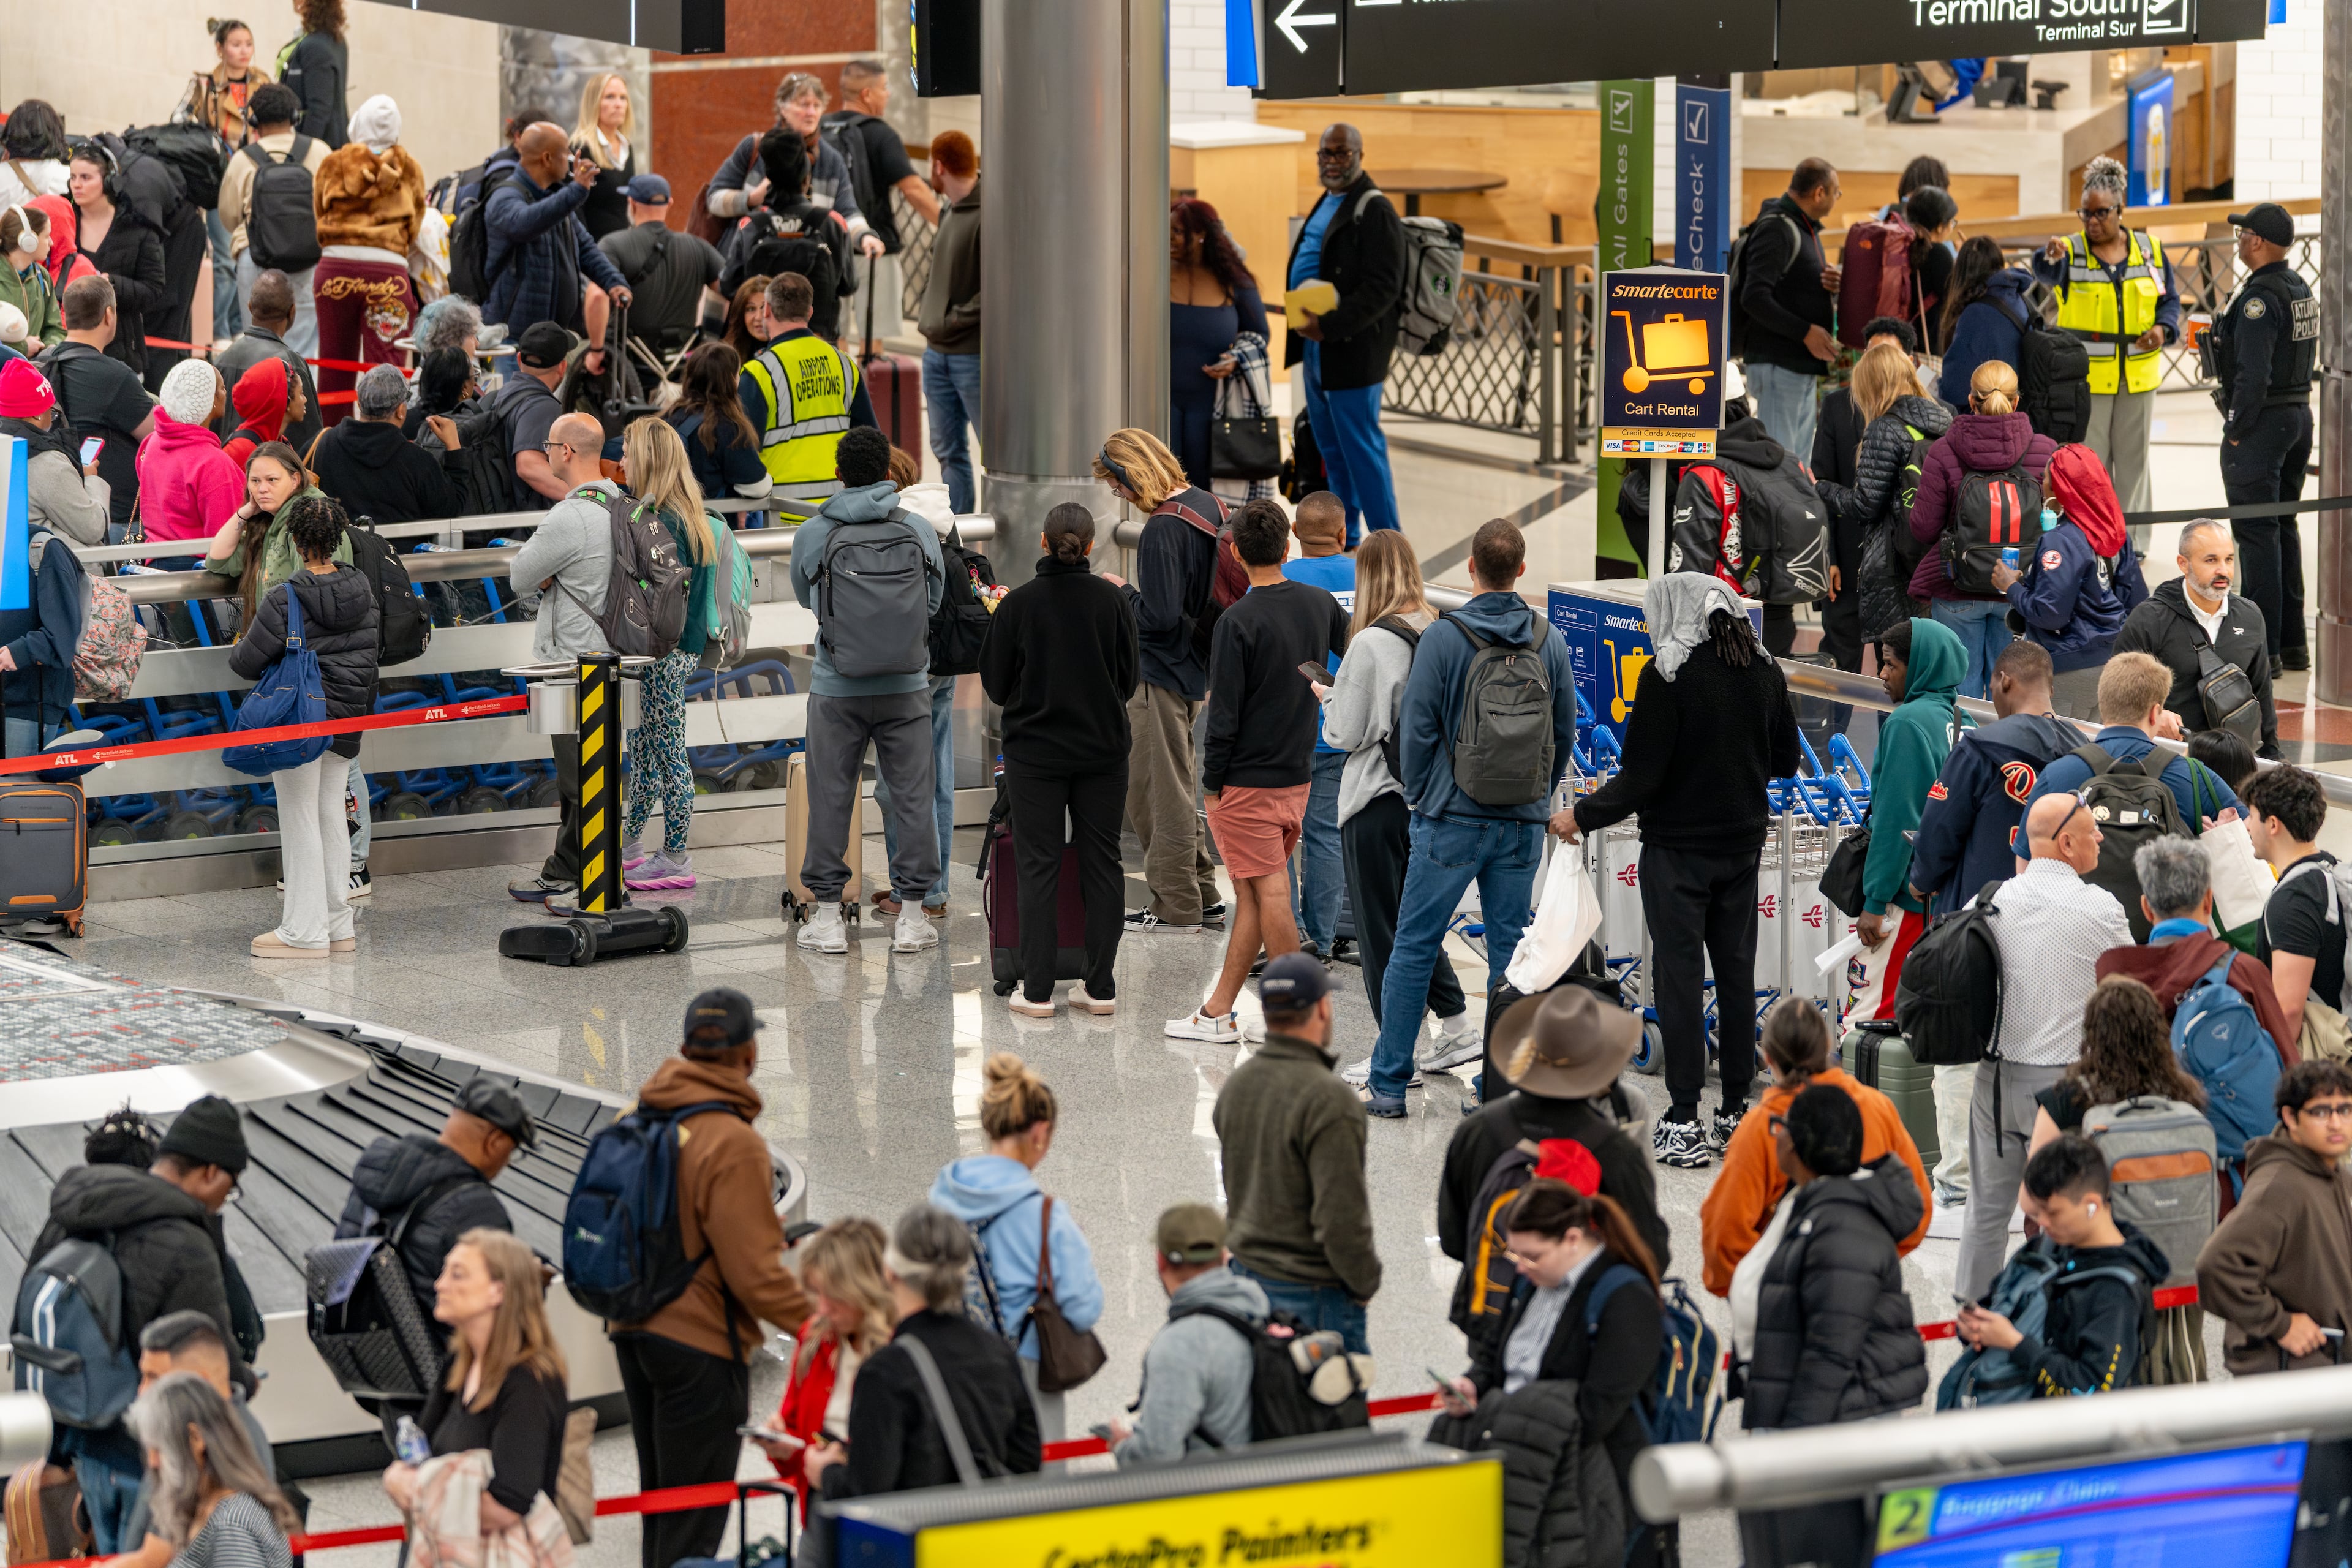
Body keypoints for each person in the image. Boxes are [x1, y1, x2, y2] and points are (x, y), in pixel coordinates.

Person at [1564, 573, 1799, 1163]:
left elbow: (1642, 778)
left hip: (1677, 852)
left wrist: (1581, 816)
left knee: (1678, 977)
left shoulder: (1666, 674)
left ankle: (1685, 1116)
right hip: (1742, 847)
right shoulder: (1766, 669)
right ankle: (1737, 1109)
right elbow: (1786, 761)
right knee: (1737, 973)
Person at [1355, 518, 1574, 1115]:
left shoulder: (1445, 639)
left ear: (1472, 569)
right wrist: (1534, 799)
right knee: (1511, 951)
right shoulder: (1548, 640)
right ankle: (1502, 1086)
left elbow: (1418, 728)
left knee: (1415, 945)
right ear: (1522, 570)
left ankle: (1390, 1085)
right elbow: (1563, 732)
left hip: (1449, 818)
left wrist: (1428, 797)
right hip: (1521, 824)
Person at [609, 990, 812, 1568]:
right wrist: (825, 1325)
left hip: (630, 1330)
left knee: (662, 1505)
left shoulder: (636, 1116)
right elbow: (755, 1276)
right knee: (693, 1523)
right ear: (749, 1054)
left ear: (683, 1050)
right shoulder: (734, 1142)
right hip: (698, 1344)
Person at [1168, 500, 1349, 1044]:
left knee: (1269, 894)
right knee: (1251, 894)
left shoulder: (1237, 621)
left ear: (1238, 553)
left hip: (1247, 783)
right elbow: (1356, 657)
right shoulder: (1319, 605)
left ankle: (1301, 1019)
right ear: (1287, 547)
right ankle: (1217, 1011)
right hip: (1297, 775)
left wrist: (1212, 786)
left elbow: (1223, 717)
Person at [1954, 790, 2134, 1302]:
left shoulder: (1989, 899)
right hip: (2064, 1090)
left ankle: (1973, 1315)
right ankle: (2063, 1309)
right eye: (2093, 828)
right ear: (2067, 842)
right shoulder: (2100, 909)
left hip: (1994, 1079)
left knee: (1988, 1209)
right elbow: (2124, 989)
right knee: (2069, 1208)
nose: (2102, 834)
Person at [1736, 1084, 1926, 1566]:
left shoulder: (1840, 1223)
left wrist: (1791, 1447)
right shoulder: (1814, 1205)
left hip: (1834, 1435)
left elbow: (1832, 1348)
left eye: (1778, 1129)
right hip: (1827, 1426)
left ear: (1797, 1144)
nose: (1773, 1138)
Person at [1317, 531, 1474, 1064]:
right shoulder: (1441, 629)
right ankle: (1456, 1026)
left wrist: (1328, 697)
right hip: (1430, 800)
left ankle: (1394, 1055)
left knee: (1381, 933)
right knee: (1417, 924)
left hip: (1376, 802)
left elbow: (1344, 733)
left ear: (1367, 577)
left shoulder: (1370, 643)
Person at [788, 424, 945, 952]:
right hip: (907, 686)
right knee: (912, 798)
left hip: (838, 686)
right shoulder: (918, 528)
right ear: (887, 473)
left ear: (838, 475)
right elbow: (934, 601)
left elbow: (808, 598)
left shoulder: (815, 532)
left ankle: (829, 919)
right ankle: (913, 916)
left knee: (831, 796)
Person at [978, 502, 1137, 1016]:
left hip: (1036, 756)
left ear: (1044, 544)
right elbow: (1129, 679)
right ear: (1091, 547)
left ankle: (1038, 991)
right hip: (1103, 752)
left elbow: (998, 686)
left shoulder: (1019, 606)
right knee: (1103, 863)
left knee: (1039, 866)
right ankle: (1100, 986)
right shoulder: (1113, 603)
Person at [1442, 986, 1672, 1338]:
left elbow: (1455, 1240)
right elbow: (1649, 1251)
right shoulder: (1613, 1151)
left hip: (1492, 1319)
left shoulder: (1478, 1131)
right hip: (1578, 1330)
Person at [801, 1205, 1039, 1520]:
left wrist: (826, 1472)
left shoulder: (885, 1371)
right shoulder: (998, 1353)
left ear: (890, 1272)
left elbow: (867, 1492)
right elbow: (1027, 1461)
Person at [927, 1054, 1105, 1442]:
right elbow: (1083, 1309)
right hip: (1024, 1373)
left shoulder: (941, 1195)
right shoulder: (1047, 1217)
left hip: (950, 1365)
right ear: (1040, 1133)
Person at [228, 495, 375, 957]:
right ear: (338, 539)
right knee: (332, 812)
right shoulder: (363, 589)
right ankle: (338, 925)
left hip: (301, 717)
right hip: (350, 713)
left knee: (299, 817)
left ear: (294, 540)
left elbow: (244, 663)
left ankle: (303, 932)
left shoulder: (287, 595)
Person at [1703, 997, 1931, 1297]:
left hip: (1784, 1297)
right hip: (1867, 1295)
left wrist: (1758, 1289)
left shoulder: (1763, 1127)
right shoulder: (1876, 1107)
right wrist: (1871, 1262)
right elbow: (1917, 1208)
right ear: (1828, 1044)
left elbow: (1723, 1237)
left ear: (1768, 1058)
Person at [1099, 426, 1230, 934]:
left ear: (1134, 472)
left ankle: (1176, 906)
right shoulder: (1206, 504)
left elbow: (1158, 616)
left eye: (1117, 483)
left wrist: (1121, 590)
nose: (1118, 493)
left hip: (1159, 673)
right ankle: (1202, 893)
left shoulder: (1162, 528)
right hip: (1195, 666)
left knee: (1156, 792)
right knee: (1176, 782)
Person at [1212, 954, 1379, 1351]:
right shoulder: (1331, 1099)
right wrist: (1363, 1281)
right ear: (1322, 1008)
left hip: (1246, 1281)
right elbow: (1341, 1215)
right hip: (1313, 1297)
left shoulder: (1237, 1086)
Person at [380, 1231, 568, 1543]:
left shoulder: (528, 1382)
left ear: (498, 1292)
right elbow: (417, 1456)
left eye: (458, 1275)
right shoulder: (459, 1364)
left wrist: (420, 1493)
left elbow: (508, 1505)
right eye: (443, 1272)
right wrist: (400, 1477)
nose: (440, 1285)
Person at [1955, 1133, 2169, 1395]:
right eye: (2037, 1212)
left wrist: (2015, 1344)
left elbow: (2092, 1389)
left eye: (2052, 1212)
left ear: (2092, 1206)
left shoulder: (2116, 1290)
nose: (2042, 1222)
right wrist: (1973, 1327)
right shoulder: (2042, 1249)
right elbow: (1995, 1307)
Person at [505, 412, 618, 901]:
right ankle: (568, 867)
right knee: (593, 769)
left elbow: (520, 575)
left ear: (566, 453)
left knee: (578, 776)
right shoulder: (619, 501)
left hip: (571, 662)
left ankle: (589, 875)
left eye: (549, 444)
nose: (546, 452)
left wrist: (548, 573)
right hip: (612, 658)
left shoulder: (571, 515)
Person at [2034, 156, 2180, 531]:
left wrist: (2163, 330)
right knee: (2091, 465)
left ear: (2121, 209)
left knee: (2134, 462)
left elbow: (2170, 301)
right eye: (2086, 214)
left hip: (2138, 378)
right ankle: (2093, 536)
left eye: (2100, 213)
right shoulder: (2070, 250)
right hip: (2088, 382)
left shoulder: (2149, 250)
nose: (2092, 222)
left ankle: (2133, 540)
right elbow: (2046, 271)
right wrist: (2048, 258)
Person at [1283, 124, 1404, 546]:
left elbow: (1385, 286)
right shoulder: (1329, 200)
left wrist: (1330, 325)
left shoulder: (1375, 209)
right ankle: (1345, 535)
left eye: (1342, 153)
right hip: (1318, 349)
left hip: (1352, 350)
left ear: (1359, 155)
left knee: (1362, 453)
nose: (1332, 161)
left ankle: (1391, 544)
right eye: (1326, 154)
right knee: (1331, 450)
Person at [1906, 359, 2056, 697]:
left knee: (1960, 697)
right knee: (2013, 695)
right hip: (2019, 590)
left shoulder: (1944, 451)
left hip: (1958, 591)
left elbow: (1924, 528)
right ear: (2017, 401)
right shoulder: (2044, 450)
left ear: (1971, 400)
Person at [617, 417, 722, 893]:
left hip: (663, 651)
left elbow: (656, 595)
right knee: (644, 753)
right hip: (678, 649)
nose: (621, 463)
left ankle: (676, 853)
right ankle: (632, 845)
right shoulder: (686, 514)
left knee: (664, 755)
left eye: (628, 454)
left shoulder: (663, 521)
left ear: (649, 461)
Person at [2197, 1058, 2352, 1377]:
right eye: (2321, 1112)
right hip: (2291, 1380)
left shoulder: (2335, 1174)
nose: (2336, 1123)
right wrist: (2280, 1324)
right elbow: (2216, 1266)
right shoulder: (2279, 1185)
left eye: (2345, 1110)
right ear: (2290, 1117)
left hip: (2329, 1370)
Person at [1848, 619, 1967, 1024]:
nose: (1882, 675)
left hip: (1900, 900)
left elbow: (1896, 821)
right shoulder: (1960, 719)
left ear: (1920, 667)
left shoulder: (1907, 723)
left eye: (1891, 665)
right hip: (1939, 896)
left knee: (1868, 1018)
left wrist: (1875, 901)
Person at [1905, 639, 2077, 920]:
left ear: (2004, 680)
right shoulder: (2084, 751)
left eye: (1993, 686)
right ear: (2051, 690)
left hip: (1980, 919)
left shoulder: (1978, 746)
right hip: (2056, 917)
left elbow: (1940, 828)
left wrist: (1922, 879)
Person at [2213, 202, 2316, 670]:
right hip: (2297, 417)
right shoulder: (2299, 288)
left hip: (2264, 423)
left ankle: (2263, 651)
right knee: (2283, 531)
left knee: (2255, 537)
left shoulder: (2259, 299)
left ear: (2257, 241)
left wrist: (2235, 429)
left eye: (2243, 233)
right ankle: (2293, 645)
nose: (2238, 240)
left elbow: (2253, 375)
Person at [332, 1075, 530, 1316]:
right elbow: (499, 1312)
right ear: (495, 1142)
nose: (507, 1162)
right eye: (512, 1151)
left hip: (357, 1344)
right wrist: (529, 1280)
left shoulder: (378, 1170)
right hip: (435, 1352)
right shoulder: (479, 1210)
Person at [2094, 837, 2296, 1057]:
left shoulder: (2115, 983)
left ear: (2147, 909)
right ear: (2209, 901)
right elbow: (2286, 1064)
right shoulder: (2244, 972)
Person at [1814, 334, 1951, 653]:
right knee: (1922, 660)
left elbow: (1866, 505)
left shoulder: (1884, 427)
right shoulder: (1944, 420)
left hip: (1894, 563)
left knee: (1893, 666)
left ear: (1874, 384)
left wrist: (1822, 488)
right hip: (1935, 559)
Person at [108, 1311, 276, 1568]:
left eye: (155, 1378)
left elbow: (154, 1559)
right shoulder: (199, 1431)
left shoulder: (224, 1454)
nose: (142, 1391)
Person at [1105, 1204, 1267, 1466]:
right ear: (1224, 1255)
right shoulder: (1259, 1310)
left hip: (1214, 1496)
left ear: (1160, 1260)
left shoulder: (1182, 1344)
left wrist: (1123, 1446)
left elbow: (1156, 1457)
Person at [1996, 442, 2149, 717]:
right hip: (2112, 666)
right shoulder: (2116, 533)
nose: (2041, 482)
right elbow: (2137, 603)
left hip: (2068, 669)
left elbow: (2050, 614)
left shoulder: (2060, 542)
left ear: (2060, 490)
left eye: (2045, 477)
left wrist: (2012, 587)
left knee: (2063, 751)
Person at [749, 1219, 891, 1507]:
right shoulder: (816, 1338)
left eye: (835, 1298)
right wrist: (783, 1449)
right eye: (818, 1293)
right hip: (819, 1510)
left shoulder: (900, 1356)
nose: (823, 1308)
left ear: (866, 1291)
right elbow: (798, 1452)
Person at [2111, 518, 2280, 759]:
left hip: (2232, 761)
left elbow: (2262, 694)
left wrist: (2273, 759)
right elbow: (2117, 694)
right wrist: (2154, 714)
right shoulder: (2149, 619)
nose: (2223, 570)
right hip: (2167, 761)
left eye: (2229, 559)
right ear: (2184, 564)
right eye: (2211, 560)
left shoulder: (2250, 616)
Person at [2026, 649, 2242, 826]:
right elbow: (2257, 834)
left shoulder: (2056, 774)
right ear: (2154, 713)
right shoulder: (2196, 777)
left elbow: (2025, 861)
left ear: (2103, 704)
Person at [310, 96, 426, 420]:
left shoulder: (332, 163)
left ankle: (328, 449)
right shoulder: (411, 169)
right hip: (388, 275)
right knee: (387, 369)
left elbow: (319, 213)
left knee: (334, 366)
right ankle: (383, 449)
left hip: (335, 271)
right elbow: (415, 226)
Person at [1282, 492, 1354, 960]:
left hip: (1286, 730)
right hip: (1342, 727)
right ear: (1343, 534)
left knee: (1278, 838)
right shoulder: (1365, 578)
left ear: (1294, 534)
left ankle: (1286, 936)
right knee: (1326, 836)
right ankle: (1323, 942)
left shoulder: (1279, 578)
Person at [482, 123, 632, 345]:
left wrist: (613, 282)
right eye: (567, 152)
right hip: (513, 339)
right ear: (547, 159)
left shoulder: (557, 199)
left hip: (551, 336)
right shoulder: (505, 196)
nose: (573, 157)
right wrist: (576, 191)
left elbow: (585, 248)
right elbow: (525, 224)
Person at [1733, 157, 1842, 459]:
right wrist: (1806, 332)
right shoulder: (1777, 228)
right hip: (1779, 365)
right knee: (1780, 461)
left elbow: (1790, 286)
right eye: (1836, 192)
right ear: (1819, 192)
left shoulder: (1804, 227)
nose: (1837, 198)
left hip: (1797, 366)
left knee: (1797, 464)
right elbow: (1754, 297)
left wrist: (1825, 284)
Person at [127, 1374, 296, 1568]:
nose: (153, 1462)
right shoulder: (209, 1508)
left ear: (196, 1438)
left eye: (160, 1447)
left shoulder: (231, 1527)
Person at [704, 72, 883, 254]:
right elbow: (714, 199)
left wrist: (864, 236)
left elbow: (848, 212)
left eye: (817, 105)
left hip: (807, 264)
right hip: (753, 261)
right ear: (783, 108)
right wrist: (751, 199)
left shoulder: (831, 160)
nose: (812, 113)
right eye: (804, 105)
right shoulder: (756, 148)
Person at [742, 271, 874, 506]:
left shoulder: (759, 372)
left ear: (768, 311)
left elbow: (742, 452)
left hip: (780, 516)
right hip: (841, 512)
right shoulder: (844, 364)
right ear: (810, 312)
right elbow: (870, 442)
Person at [39, 274, 156, 537]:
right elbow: (155, 436)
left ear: (65, 315)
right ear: (109, 315)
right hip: (112, 515)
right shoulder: (116, 376)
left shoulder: (41, 363)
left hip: (52, 507)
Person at [1167, 197, 1270, 492]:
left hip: (1213, 406)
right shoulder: (1153, 274)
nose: (1170, 238)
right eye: (1168, 230)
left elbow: (1259, 333)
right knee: (1161, 485)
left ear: (1201, 235)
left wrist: (1237, 358)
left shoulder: (1232, 279)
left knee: (1206, 488)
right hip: (1161, 402)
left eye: (1178, 231)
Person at [216, 83, 325, 356]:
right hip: (309, 260)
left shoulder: (242, 159)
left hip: (256, 260)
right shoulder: (321, 152)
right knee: (306, 348)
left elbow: (229, 217)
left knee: (258, 343)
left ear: (254, 121)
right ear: (295, 117)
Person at [719, 130, 855, 338]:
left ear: (769, 179)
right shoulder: (832, 223)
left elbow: (729, 285)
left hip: (763, 349)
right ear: (806, 178)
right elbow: (848, 285)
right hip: (817, 345)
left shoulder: (751, 225)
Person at [2244, 764, 2339, 1048]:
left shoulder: (2293, 900)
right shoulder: (2333, 870)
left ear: (2273, 824)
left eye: (2251, 816)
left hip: (2323, 1063)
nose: (2247, 825)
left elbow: (2289, 1011)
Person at [203, 441, 341, 627]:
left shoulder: (311, 521)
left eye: (272, 480)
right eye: (255, 481)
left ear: (295, 480)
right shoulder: (268, 522)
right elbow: (217, 561)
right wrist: (245, 512)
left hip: (303, 646)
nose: (262, 489)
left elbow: (317, 595)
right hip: (281, 640)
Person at [916, 132, 981, 513]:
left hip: (971, 355)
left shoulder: (988, 213)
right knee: (947, 451)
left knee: (994, 450)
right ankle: (962, 536)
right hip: (936, 354)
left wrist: (951, 320)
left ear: (939, 165)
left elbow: (998, 289)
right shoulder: (948, 212)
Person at [309, 364, 466, 523]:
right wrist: (454, 447)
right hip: (401, 548)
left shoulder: (322, 444)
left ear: (359, 405)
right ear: (400, 410)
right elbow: (452, 508)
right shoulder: (418, 461)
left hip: (337, 547)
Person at [191, 18, 268, 342]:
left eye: (248, 44)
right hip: (220, 181)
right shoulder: (206, 84)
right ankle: (221, 331)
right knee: (223, 259)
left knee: (247, 257)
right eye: (236, 45)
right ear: (221, 49)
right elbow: (190, 130)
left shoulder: (263, 83)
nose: (244, 51)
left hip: (256, 179)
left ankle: (241, 328)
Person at [66, 147, 166, 385]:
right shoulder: (64, 222)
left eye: (86, 178)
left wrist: (109, 285)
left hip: (123, 355)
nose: (76, 185)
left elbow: (153, 290)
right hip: (70, 351)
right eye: (73, 177)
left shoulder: (138, 229)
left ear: (109, 181)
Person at [599, 174, 724, 355]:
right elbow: (733, 289)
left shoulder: (612, 244)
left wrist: (596, 348)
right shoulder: (700, 248)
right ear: (670, 204)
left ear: (631, 202)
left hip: (628, 360)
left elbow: (597, 296)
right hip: (680, 360)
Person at [0, 355, 109, 547]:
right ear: (36, 414)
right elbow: (93, 528)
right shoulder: (49, 466)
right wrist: (90, 480)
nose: (52, 417)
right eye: (52, 411)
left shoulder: (8, 451)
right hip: (58, 574)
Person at [211, 268, 322, 456]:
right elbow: (311, 444)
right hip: (275, 478)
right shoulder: (290, 367)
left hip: (226, 472)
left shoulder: (221, 362)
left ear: (250, 306)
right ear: (292, 312)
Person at [137, 361, 243, 547]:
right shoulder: (214, 463)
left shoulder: (151, 443)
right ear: (211, 401)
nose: (225, 394)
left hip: (153, 561)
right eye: (222, 388)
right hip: (195, 569)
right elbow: (224, 539)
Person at [663, 342, 771, 501]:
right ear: (731, 380)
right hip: (709, 521)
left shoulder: (671, 415)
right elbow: (757, 487)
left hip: (668, 518)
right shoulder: (728, 428)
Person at [1936, 236, 2032, 408]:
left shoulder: (1975, 315)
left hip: (1989, 418)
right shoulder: (2020, 301)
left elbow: (1954, 390)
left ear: (1961, 273)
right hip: (2025, 411)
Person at [492, 322, 573, 511]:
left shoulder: (502, 394)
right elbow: (529, 466)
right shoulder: (542, 406)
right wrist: (585, 496)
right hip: (522, 526)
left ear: (519, 359)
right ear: (562, 367)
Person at [568, 72, 636, 241]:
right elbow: (575, 209)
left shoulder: (627, 147)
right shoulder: (580, 148)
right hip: (594, 251)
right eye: (610, 97)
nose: (618, 104)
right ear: (594, 103)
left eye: (623, 98)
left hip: (623, 247)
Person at [275, 0, 348, 147]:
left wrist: (300, 155)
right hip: (329, 142)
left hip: (321, 147)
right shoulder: (333, 39)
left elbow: (319, 111)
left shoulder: (316, 45)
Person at [222, 355, 306, 472]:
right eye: (301, 393)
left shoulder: (281, 441)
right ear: (284, 399)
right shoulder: (239, 452)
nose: (305, 400)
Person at [0, 206, 64, 350]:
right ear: (28, 240)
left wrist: (49, 348)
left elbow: (55, 328)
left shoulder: (42, 276)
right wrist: (23, 348)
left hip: (34, 368)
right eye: (47, 236)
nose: (51, 243)